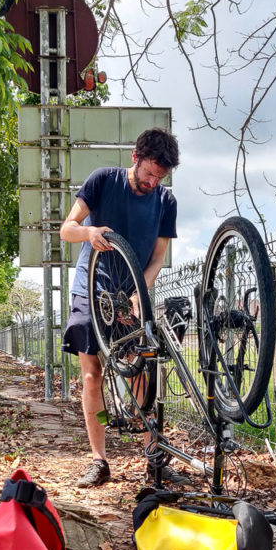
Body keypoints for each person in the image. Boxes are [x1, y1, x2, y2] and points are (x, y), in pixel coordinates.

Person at [60, 127, 187, 488]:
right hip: (92, 288)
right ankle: (99, 461)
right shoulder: (103, 181)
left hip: (131, 293)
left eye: (160, 177)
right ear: (135, 157)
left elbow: (158, 258)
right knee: (92, 375)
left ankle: (153, 461)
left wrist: (138, 294)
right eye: (148, 173)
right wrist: (89, 232)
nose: (152, 182)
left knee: (145, 374)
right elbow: (66, 229)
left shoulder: (166, 202)